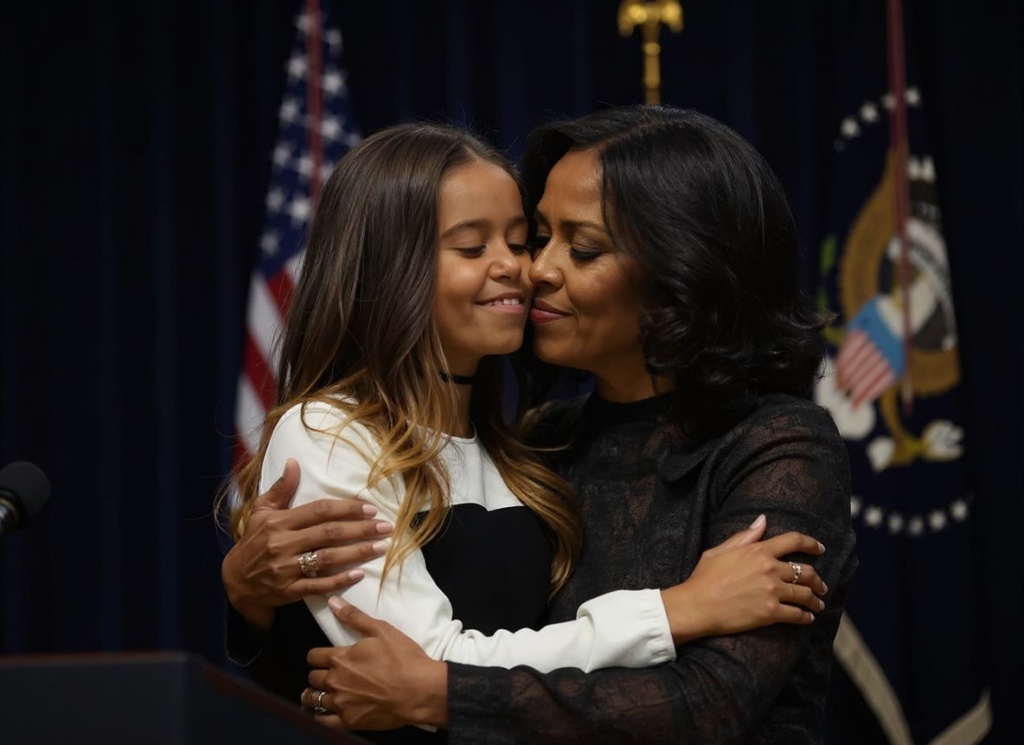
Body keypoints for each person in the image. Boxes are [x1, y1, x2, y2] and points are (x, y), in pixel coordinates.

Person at [219, 120, 830, 743]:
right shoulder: (538, 440)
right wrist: (254, 603)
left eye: (571, 247)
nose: (529, 269)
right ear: (389, 271)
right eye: (533, 240)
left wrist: (439, 694)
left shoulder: (773, 445)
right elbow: (365, 677)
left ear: (683, 272)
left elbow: (710, 705)